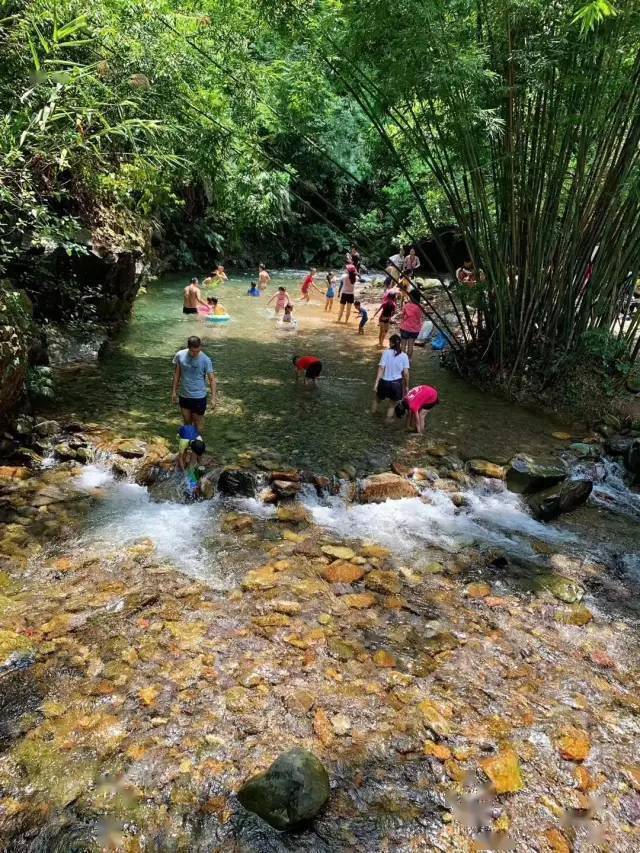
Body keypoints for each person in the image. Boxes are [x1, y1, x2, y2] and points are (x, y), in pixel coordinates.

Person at [171, 336, 216, 433]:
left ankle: (198, 445)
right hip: (184, 395)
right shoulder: (180, 355)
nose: (195, 353)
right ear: (188, 347)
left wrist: (213, 398)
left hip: (199, 397)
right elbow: (177, 374)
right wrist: (174, 392)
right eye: (192, 351)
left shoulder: (205, 360)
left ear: (200, 347)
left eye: (198, 351)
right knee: (187, 422)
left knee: (198, 423)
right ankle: (188, 445)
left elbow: (212, 379)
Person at [372, 334, 410, 419]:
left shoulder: (386, 353)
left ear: (391, 343)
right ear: (399, 343)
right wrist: (407, 386)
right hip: (396, 384)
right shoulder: (404, 356)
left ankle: (373, 415)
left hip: (385, 382)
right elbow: (406, 373)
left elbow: (381, 368)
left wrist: (376, 383)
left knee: (377, 400)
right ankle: (387, 421)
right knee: (392, 405)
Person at [399, 291, 427, 359]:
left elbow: (402, 316)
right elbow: (420, 316)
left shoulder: (407, 305)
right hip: (415, 329)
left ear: (412, 297)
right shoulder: (420, 307)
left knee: (403, 345)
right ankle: (409, 360)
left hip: (405, 327)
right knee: (410, 345)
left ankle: (402, 361)